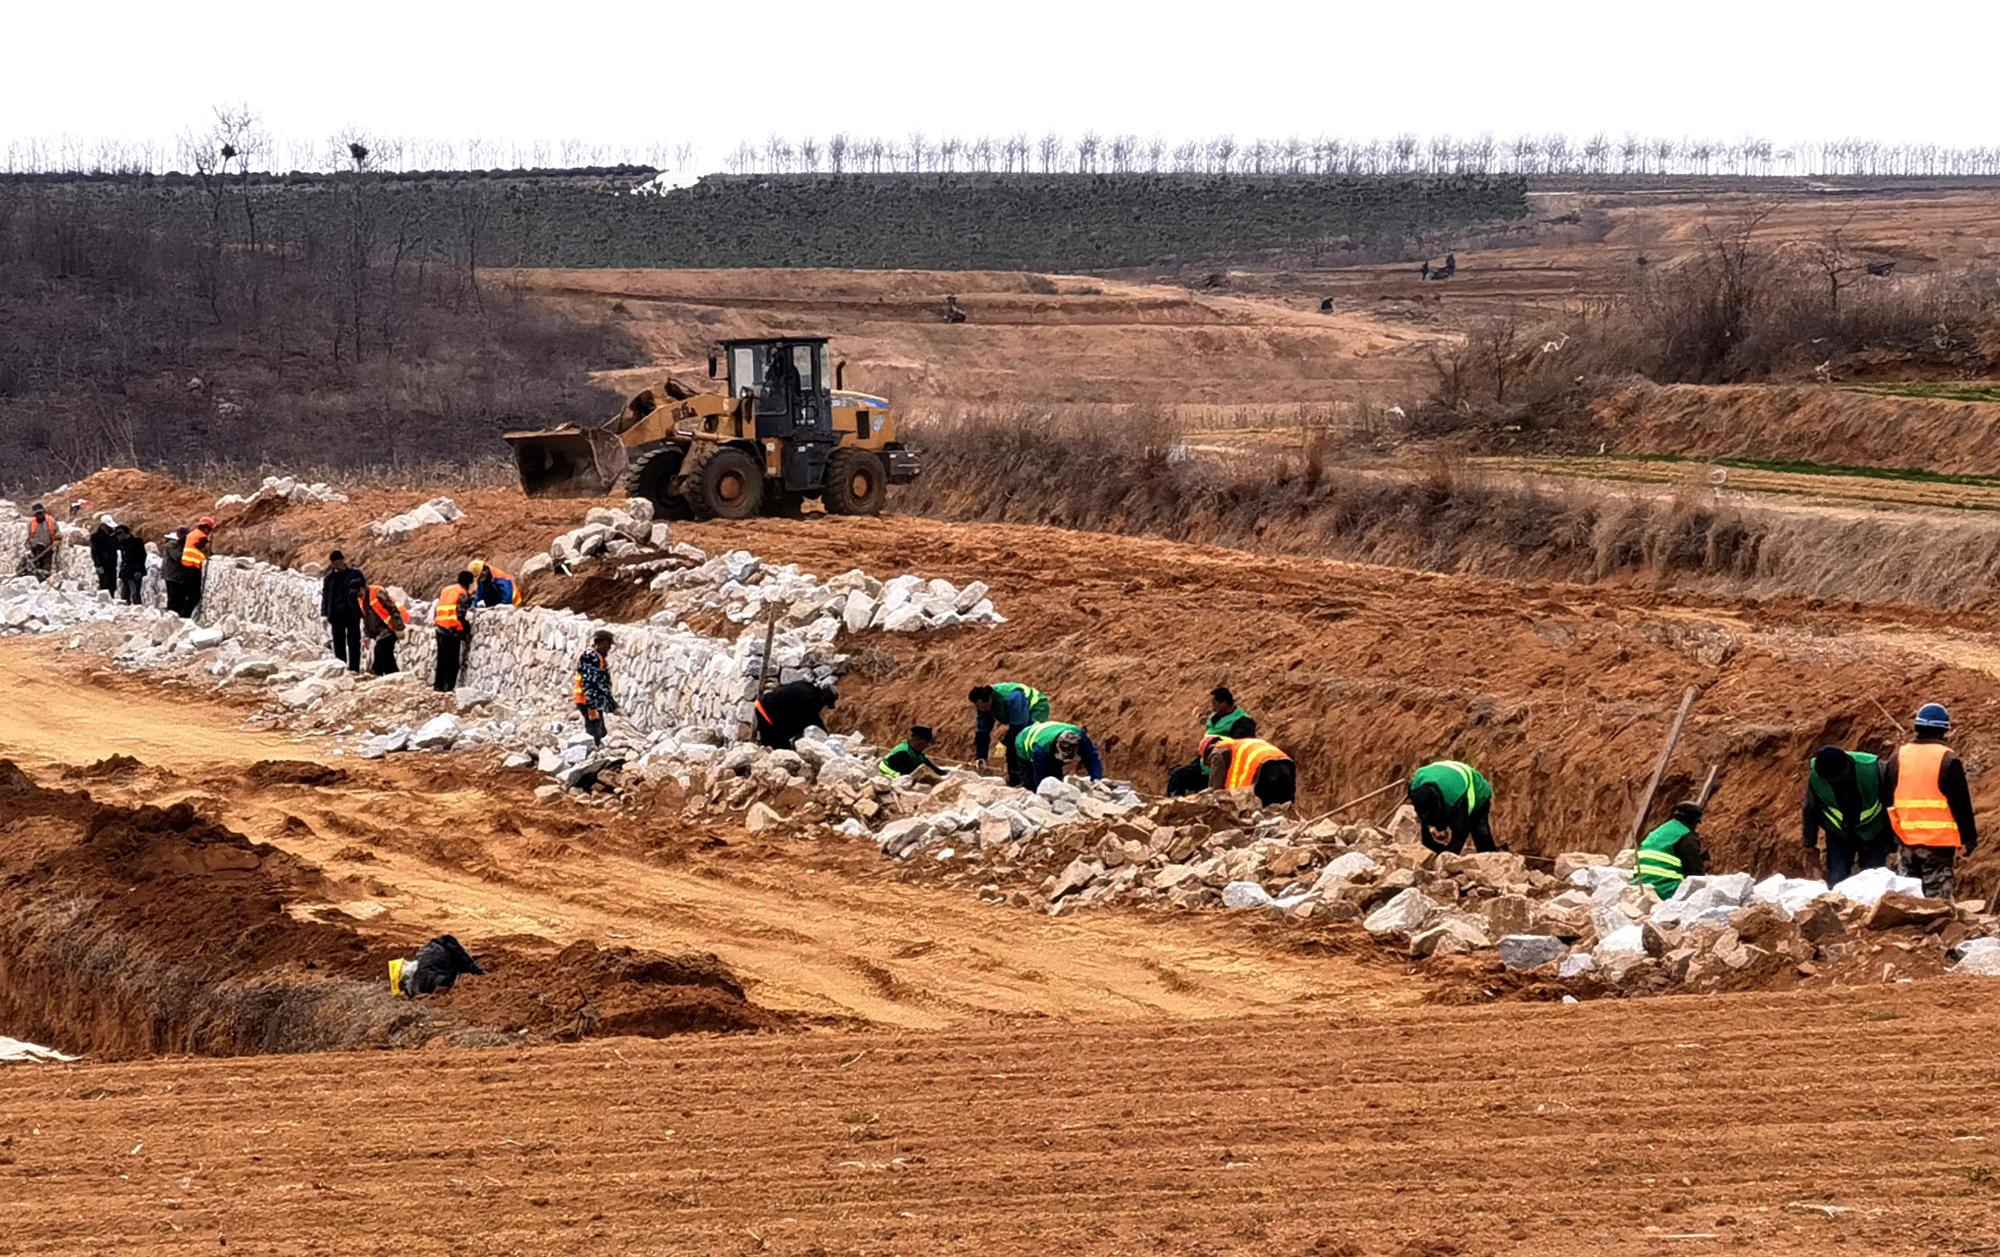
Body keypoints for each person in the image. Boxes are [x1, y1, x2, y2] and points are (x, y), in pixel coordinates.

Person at [1882, 703, 1978, 900]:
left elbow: (1888, 796)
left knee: (1908, 897)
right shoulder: (1948, 759)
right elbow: (1961, 803)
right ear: (1944, 730)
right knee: (1937, 902)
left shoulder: (1898, 757)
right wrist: (1969, 838)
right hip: (1938, 844)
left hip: (1906, 839)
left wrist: (1891, 836)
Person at [1802, 745, 1893, 885]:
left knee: (1874, 879)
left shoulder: (1873, 770)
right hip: (1838, 834)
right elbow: (1810, 810)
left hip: (1874, 832)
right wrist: (1809, 844)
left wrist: (1893, 839)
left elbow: (1891, 803)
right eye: (1830, 780)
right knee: (1838, 877)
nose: (1834, 782)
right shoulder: (1817, 777)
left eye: (1837, 778)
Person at [1169, 688, 1259, 795]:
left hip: (1220, 769)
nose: (1212, 706)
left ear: (1224, 703)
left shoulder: (1242, 721)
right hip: (1205, 762)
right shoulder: (1216, 718)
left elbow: (1238, 748)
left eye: (1214, 703)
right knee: (1176, 774)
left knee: (1179, 776)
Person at [1407, 760, 1498, 854]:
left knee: (1480, 831)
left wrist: (1447, 857)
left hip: (1477, 790)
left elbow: (1461, 832)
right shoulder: (1415, 787)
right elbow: (1425, 816)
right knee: (1428, 822)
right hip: (1446, 775)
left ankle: (1491, 859)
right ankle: (1432, 854)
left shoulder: (1455, 799)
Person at [970, 682, 1051, 786]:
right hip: (1019, 718)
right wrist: (981, 756)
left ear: (990, 699)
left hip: (1036, 708)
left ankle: (1031, 781)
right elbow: (982, 731)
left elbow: (1019, 728)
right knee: (1012, 745)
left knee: (1024, 743)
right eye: (980, 708)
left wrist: (1004, 743)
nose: (983, 711)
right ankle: (1015, 781)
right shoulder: (983, 706)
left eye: (985, 708)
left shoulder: (1013, 698)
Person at [1635, 800, 1708, 898]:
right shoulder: (1686, 836)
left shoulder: (1659, 831)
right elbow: (1695, 873)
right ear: (1692, 821)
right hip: (1665, 888)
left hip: (1639, 885)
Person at [1200, 734, 1295, 806]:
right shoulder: (1238, 745)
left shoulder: (1218, 751)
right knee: (1284, 807)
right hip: (1286, 764)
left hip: (1265, 769)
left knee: (1267, 811)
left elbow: (1216, 788)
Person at [1014, 721, 1104, 791]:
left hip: (1047, 732)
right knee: (1030, 783)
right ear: (1057, 747)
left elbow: (1091, 756)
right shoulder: (1040, 750)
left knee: (1056, 777)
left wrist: (1096, 778)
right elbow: (1041, 779)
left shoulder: (1080, 736)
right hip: (1023, 741)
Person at [389, 935, 484, 998]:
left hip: (443, 954)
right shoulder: (423, 957)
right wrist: (474, 970)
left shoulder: (418, 982)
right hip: (443, 950)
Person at [320, 551, 369, 672]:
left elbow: (363, 588)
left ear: (343, 560)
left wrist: (360, 592)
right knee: (338, 644)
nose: (338, 564)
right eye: (335, 563)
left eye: (339, 561)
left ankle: (354, 669)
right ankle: (341, 668)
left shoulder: (355, 574)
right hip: (336, 616)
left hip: (352, 614)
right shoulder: (329, 579)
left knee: (354, 643)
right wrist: (324, 613)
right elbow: (325, 596)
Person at [755, 680, 837, 750]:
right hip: (767, 718)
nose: (823, 707)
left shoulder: (805, 684)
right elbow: (815, 722)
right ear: (823, 698)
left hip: (760, 706)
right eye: (825, 704)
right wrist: (827, 737)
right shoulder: (811, 702)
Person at [432, 570, 474, 692]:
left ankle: (438, 687)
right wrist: (466, 628)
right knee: (452, 663)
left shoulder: (447, 589)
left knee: (442, 661)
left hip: (440, 627)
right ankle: (448, 689)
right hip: (452, 630)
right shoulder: (462, 593)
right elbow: (460, 613)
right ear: (469, 583)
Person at [574, 629, 618, 745]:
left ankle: (595, 751)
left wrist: (611, 703)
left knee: (600, 730)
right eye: (607, 645)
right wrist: (591, 705)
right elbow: (589, 683)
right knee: (595, 731)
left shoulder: (598, 658)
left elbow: (601, 683)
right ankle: (592, 752)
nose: (609, 648)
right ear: (600, 643)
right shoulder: (591, 657)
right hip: (587, 701)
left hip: (592, 700)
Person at [360, 582, 407, 676]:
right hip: (378, 633)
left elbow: (393, 608)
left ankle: (376, 675)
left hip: (389, 629)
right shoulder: (360, 599)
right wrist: (367, 636)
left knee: (379, 653)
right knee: (388, 660)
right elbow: (366, 618)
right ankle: (395, 678)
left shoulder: (377, 591)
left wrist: (399, 627)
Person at [178, 516, 214, 617]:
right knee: (194, 596)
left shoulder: (191, 534)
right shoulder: (201, 537)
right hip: (193, 567)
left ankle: (183, 615)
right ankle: (185, 617)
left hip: (186, 566)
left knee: (188, 594)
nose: (209, 532)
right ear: (206, 528)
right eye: (209, 530)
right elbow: (206, 549)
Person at [160, 528, 192, 616]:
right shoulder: (172, 545)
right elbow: (179, 557)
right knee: (174, 599)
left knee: (180, 599)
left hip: (178, 577)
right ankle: (171, 617)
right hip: (173, 577)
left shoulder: (176, 545)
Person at [24, 503, 60, 579]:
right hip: (35, 548)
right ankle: (37, 579)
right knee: (36, 565)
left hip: (48, 548)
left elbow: (57, 532)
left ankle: (45, 578)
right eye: (37, 513)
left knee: (46, 565)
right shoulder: (32, 522)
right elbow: (29, 536)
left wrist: (56, 541)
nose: (39, 515)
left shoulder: (50, 520)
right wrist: (28, 547)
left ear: (43, 511)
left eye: (40, 512)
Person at [114, 524, 146, 606]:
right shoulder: (121, 543)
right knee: (125, 591)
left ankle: (137, 607)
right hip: (126, 571)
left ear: (123, 533)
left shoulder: (136, 542)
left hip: (134, 571)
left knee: (135, 591)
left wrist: (138, 570)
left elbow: (141, 557)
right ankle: (125, 606)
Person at [88, 515, 118, 594]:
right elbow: (95, 552)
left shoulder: (113, 536)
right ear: (103, 525)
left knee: (112, 584)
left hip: (112, 564)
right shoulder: (96, 537)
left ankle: (111, 598)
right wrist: (98, 565)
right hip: (103, 564)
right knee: (104, 583)